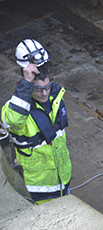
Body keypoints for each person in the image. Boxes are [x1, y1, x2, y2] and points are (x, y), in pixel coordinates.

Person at [1, 39, 72, 204]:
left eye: (47, 87)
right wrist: (25, 84)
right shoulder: (15, 108)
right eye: (38, 89)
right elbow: (13, 122)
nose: (44, 93)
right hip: (38, 189)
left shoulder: (56, 99)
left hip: (63, 180)